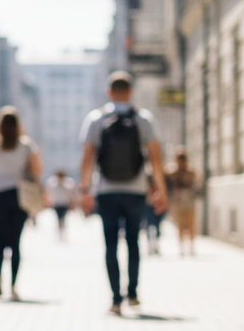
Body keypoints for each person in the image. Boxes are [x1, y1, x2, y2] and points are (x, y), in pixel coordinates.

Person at [79, 71, 167, 315]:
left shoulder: (96, 119)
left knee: (109, 244)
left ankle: (115, 299)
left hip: (106, 190)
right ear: (130, 92)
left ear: (109, 92)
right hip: (136, 190)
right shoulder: (142, 118)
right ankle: (133, 293)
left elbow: (87, 157)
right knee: (133, 242)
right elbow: (155, 157)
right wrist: (160, 189)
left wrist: (85, 189)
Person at [0, 107, 42, 301]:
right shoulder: (27, 145)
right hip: (18, 197)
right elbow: (37, 171)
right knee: (16, 243)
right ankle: (13, 286)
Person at [166, 149, 201, 256]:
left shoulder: (191, 172)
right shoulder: (173, 173)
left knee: (191, 225)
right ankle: (181, 247)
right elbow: (169, 187)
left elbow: (197, 185)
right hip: (178, 203)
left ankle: (191, 246)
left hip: (189, 202)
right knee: (180, 226)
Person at [46, 169, 76, 241]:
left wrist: (72, 203)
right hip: (57, 204)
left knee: (63, 218)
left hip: (64, 203)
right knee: (59, 219)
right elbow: (50, 193)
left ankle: (62, 232)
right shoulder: (53, 183)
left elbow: (70, 194)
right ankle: (60, 233)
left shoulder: (67, 184)